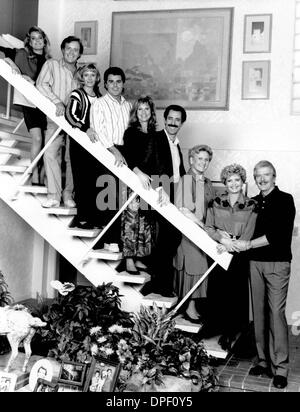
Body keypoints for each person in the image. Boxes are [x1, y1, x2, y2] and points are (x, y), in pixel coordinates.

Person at [237, 161, 295, 390]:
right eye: (258, 176)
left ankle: (280, 368)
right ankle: (263, 361)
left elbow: (277, 235)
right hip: (255, 263)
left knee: (275, 314)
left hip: (277, 264)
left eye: (266, 175)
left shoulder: (285, 199)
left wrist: (248, 244)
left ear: (274, 176)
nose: (262, 179)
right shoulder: (253, 201)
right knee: (258, 314)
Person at [203, 164, 258, 350]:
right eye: (229, 180)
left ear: (243, 182)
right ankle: (214, 326)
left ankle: (231, 331)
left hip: (239, 254)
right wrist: (221, 239)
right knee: (218, 289)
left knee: (236, 292)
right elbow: (208, 228)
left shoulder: (252, 205)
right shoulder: (215, 203)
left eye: (237, 180)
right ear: (225, 183)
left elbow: (250, 232)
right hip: (218, 251)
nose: (233, 184)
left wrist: (233, 245)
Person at [141, 105, 186, 298]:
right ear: (164, 118)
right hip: (159, 193)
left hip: (175, 193)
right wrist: (159, 188)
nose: (173, 122)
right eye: (170, 118)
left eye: (177, 119)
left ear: (181, 123)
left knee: (172, 238)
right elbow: (144, 165)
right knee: (169, 236)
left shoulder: (177, 144)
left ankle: (157, 282)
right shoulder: (155, 138)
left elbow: (179, 173)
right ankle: (160, 284)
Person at [36, 35, 83, 208]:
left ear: (79, 54)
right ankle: (54, 196)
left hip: (74, 124)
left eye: (75, 50)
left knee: (72, 159)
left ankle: (68, 195)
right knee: (50, 153)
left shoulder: (81, 74)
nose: (71, 52)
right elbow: (41, 85)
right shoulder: (52, 65)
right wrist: (57, 101)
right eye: (68, 48)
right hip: (55, 119)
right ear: (63, 50)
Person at [0, 26, 50, 185]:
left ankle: (42, 175)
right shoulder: (21, 54)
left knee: (47, 142)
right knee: (37, 138)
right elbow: (1, 52)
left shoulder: (50, 61)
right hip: (29, 101)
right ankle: (35, 176)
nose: (37, 41)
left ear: (44, 41)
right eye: (33, 38)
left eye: (40, 38)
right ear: (29, 41)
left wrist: (35, 82)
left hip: (45, 103)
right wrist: (12, 65)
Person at [90, 66, 131, 245]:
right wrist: (114, 151)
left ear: (123, 84)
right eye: (111, 82)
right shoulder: (98, 104)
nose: (115, 85)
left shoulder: (129, 105)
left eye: (118, 82)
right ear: (105, 84)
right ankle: (109, 241)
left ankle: (120, 242)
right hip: (108, 153)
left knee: (124, 200)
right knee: (109, 199)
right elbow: (98, 130)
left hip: (126, 154)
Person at [174, 145, 215, 322]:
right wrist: (201, 225)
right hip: (188, 232)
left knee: (201, 267)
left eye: (206, 160)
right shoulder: (186, 179)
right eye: (200, 159)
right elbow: (182, 209)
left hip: (203, 233)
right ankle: (189, 306)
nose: (203, 162)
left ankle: (192, 305)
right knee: (194, 267)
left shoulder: (207, 182)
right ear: (191, 160)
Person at [118, 95, 157, 274]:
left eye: (146, 109)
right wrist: (139, 173)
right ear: (135, 112)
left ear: (151, 112)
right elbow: (129, 156)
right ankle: (128, 260)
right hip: (134, 179)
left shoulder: (154, 133)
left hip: (149, 182)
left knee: (144, 221)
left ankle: (139, 256)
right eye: (140, 109)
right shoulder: (130, 132)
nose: (143, 112)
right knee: (131, 221)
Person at [65, 63, 102, 229]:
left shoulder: (100, 96)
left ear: (97, 78)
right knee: (81, 181)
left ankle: (92, 217)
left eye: (92, 75)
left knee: (93, 181)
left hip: (95, 146)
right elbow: (69, 116)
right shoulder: (77, 94)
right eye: (86, 75)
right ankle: (82, 218)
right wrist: (85, 128)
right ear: (82, 77)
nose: (89, 78)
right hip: (79, 144)